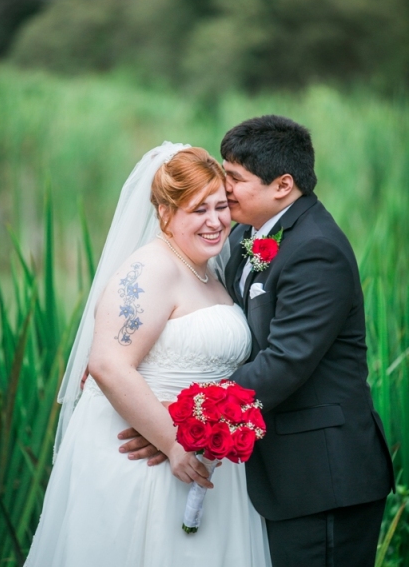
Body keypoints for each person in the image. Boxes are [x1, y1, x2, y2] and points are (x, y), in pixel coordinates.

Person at [120, 116, 394, 567]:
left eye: (235, 178)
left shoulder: (317, 250)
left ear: (283, 185)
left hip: (321, 477)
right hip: (276, 471)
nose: (223, 188)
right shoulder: (249, 233)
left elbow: (283, 363)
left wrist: (184, 423)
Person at [24, 143, 271, 567]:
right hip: (148, 462)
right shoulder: (149, 269)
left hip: (210, 457)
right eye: (198, 210)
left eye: (220, 206)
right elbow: (106, 364)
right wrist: (174, 442)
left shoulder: (209, 269)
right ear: (164, 212)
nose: (215, 222)